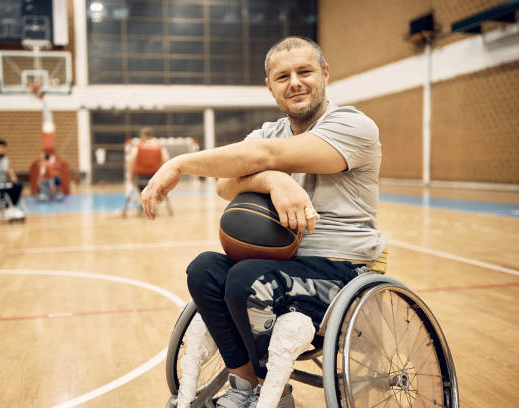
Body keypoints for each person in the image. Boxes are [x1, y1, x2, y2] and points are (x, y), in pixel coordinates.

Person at [141, 36, 387, 408]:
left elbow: (265, 155)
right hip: (280, 265)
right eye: (282, 76)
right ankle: (243, 383)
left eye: (305, 71)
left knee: (246, 277)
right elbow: (226, 184)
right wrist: (274, 180)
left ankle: (272, 392)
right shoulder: (269, 130)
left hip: (340, 268)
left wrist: (178, 163)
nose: (295, 82)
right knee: (204, 269)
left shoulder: (353, 125)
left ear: (324, 74)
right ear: (270, 87)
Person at [126, 127, 170, 192]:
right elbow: (167, 161)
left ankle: (143, 199)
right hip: (155, 177)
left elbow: (130, 162)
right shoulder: (160, 148)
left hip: (140, 178)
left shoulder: (137, 148)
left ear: (142, 136)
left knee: (141, 189)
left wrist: (130, 176)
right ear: (152, 135)